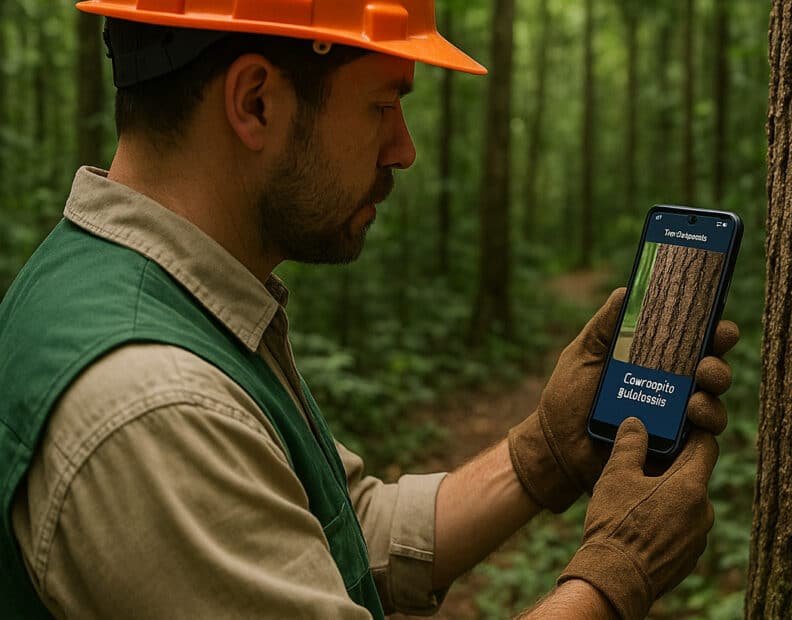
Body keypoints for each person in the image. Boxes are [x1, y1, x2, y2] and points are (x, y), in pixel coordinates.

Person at [0, 1, 740, 618]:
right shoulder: (153, 407)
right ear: (255, 102)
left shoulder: (137, 289)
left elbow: (332, 537)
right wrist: (615, 574)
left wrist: (543, 452)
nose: (405, 149)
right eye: (383, 105)